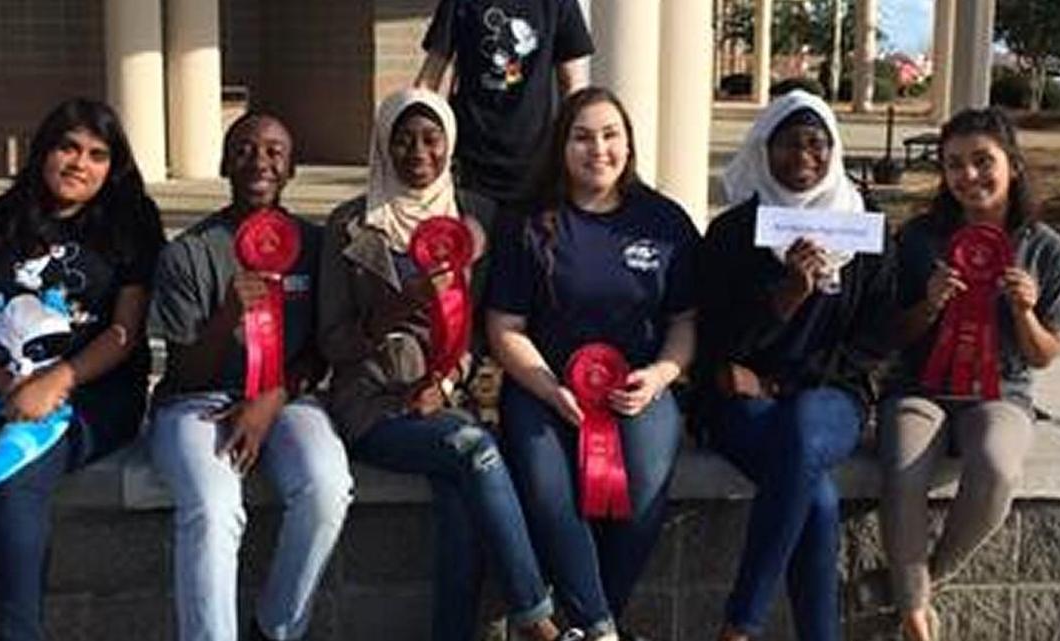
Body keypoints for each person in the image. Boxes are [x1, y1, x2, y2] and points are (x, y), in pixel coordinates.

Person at [318, 87, 567, 641]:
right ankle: (537, 619)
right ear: (383, 145)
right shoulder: (349, 224)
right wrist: (395, 308)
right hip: (375, 405)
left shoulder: (478, 217)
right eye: (402, 140)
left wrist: (446, 379)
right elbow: (332, 341)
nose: (417, 153)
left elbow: (487, 325)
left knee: (459, 503)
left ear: (449, 145)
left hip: (452, 401)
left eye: (430, 138)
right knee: (474, 450)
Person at [488, 87, 699, 640]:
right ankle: (602, 630)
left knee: (647, 485)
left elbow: (684, 324)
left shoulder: (665, 221)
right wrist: (550, 388)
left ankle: (586, 625)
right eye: (582, 136)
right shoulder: (527, 222)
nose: (597, 149)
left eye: (610, 135)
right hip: (542, 387)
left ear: (628, 144)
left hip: (638, 388)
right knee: (547, 491)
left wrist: (658, 377)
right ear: (561, 146)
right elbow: (504, 328)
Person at [693, 89, 894, 641]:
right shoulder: (734, 233)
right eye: (788, 144)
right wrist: (784, 298)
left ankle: (741, 624)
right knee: (819, 498)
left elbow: (876, 338)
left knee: (805, 426)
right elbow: (711, 338)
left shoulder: (864, 226)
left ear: (833, 151)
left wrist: (782, 382)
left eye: (817, 144)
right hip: (740, 404)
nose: (804, 157)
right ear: (764, 150)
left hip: (831, 399)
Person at [879, 107, 1060, 641]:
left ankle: (918, 586)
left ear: (1012, 165)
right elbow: (889, 337)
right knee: (902, 471)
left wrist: (1023, 312)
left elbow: (1044, 356)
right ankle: (914, 618)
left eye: (982, 161)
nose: (968, 176)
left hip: (1001, 393)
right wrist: (928, 306)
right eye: (954, 165)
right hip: (919, 388)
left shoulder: (1048, 249)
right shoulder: (918, 239)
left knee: (996, 468)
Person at [0, 98, 164, 641]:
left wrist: (57, 381)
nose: (79, 163)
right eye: (68, 147)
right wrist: (6, 381)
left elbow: (125, 332)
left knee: (13, 474)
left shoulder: (131, 224)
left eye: (97, 154)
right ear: (44, 151)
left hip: (95, 392)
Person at [146, 113, 353, 641]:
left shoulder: (316, 243)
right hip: (195, 403)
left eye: (274, 152)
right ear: (223, 163)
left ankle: (275, 628)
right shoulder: (188, 252)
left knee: (327, 487)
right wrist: (226, 317)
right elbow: (183, 370)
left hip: (288, 397)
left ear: (292, 168)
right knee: (215, 509)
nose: (259, 161)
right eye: (243, 150)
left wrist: (271, 399)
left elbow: (320, 354)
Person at [415, 0, 594, 204]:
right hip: (470, 167)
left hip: (537, 169)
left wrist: (575, 158)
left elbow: (574, 89)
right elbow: (429, 82)